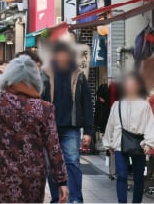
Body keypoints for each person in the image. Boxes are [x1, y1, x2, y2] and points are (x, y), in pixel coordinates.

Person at [0, 55, 69, 203]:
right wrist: (62, 181)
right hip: (32, 179)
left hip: (1, 176)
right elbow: (54, 147)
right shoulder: (45, 108)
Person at [42, 41, 94, 203]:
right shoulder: (45, 75)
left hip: (71, 127)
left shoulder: (78, 75)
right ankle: (56, 198)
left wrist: (88, 131)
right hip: (50, 127)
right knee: (51, 164)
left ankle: (75, 198)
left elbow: (87, 104)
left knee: (72, 162)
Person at [102, 72, 154, 203]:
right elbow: (110, 125)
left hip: (139, 144)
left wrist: (148, 143)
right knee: (121, 175)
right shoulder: (117, 105)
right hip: (119, 144)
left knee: (139, 178)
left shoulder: (144, 105)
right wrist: (109, 143)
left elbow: (150, 124)